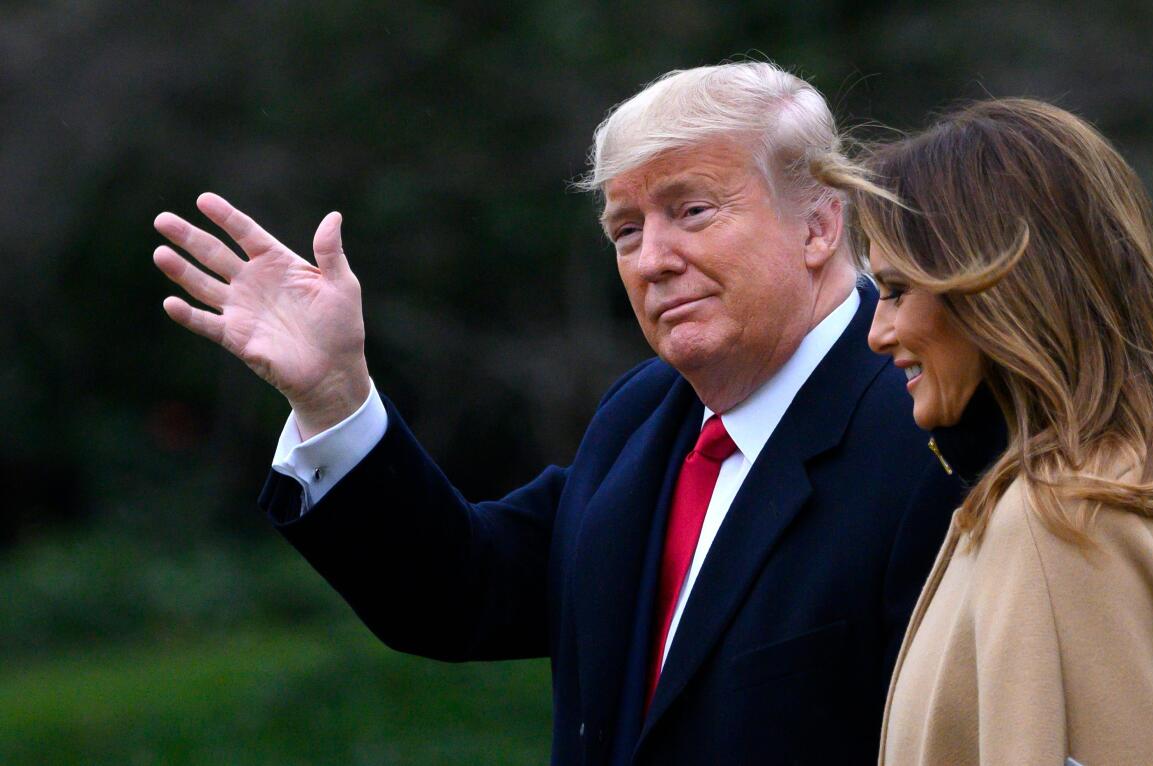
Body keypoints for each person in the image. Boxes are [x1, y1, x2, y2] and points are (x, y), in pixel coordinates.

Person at [153, 62, 961, 765]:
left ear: (820, 224)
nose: (652, 260)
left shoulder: (931, 426)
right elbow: (462, 591)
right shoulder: (642, 417)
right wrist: (333, 394)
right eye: (625, 229)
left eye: (692, 211)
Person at [822, 98, 1153, 764]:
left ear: (997, 291)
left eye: (896, 288)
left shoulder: (1059, 521)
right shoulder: (1148, 476)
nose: (877, 334)